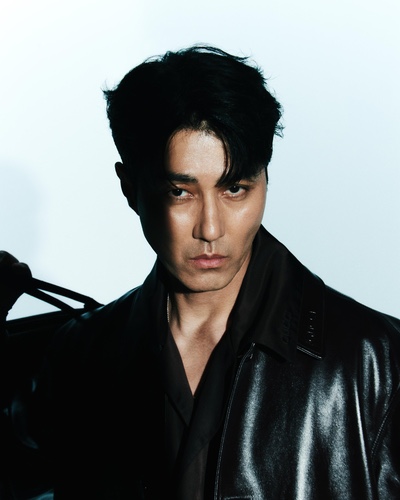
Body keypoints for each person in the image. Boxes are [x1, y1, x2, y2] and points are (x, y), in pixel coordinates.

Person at [1, 44, 400, 499]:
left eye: (235, 189)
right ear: (130, 189)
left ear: (265, 180)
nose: (210, 228)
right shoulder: (81, 355)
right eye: (180, 192)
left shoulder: (377, 361)